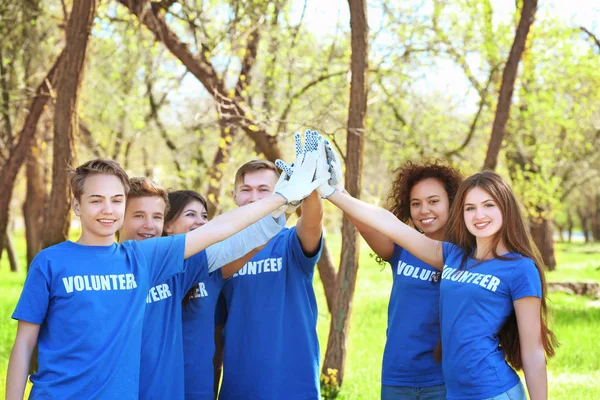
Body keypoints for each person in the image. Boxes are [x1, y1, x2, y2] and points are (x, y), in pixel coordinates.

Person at [6, 151, 325, 400]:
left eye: (116, 200)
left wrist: (283, 198)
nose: (108, 209)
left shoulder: (143, 258)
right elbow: (24, 344)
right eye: (96, 200)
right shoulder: (50, 262)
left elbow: (220, 230)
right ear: (76, 206)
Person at [318, 152, 557, 400]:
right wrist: (332, 192)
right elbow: (388, 223)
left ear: (505, 209)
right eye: (470, 208)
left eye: (489, 205)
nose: (479, 215)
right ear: (461, 213)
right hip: (454, 392)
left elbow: (533, 351)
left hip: (493, 390)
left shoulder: (521, 268)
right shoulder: (452, 255)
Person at [119, 179, 283, 400]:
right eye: (139, 216)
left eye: (156, 217)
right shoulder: (106, 271)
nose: (149, 225)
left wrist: (285, 201)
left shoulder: (182, 269)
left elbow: (235, 238)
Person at [345, 161, 462, 400]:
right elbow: (366, 224)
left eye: (433, 201)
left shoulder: (464, 255)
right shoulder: (401, 249)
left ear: (452, 201)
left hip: (443, 379)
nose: (424, 210)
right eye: (416, 203)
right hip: (397, 377)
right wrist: (336, 191)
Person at [218, 155, 324, 399]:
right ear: (234, 196)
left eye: (264, 190)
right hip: (239, 386)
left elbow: (312, 222)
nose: (254, 198)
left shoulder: (290, 242)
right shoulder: (221, 250)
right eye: (246, 189)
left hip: (294, 386)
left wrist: (308, 189)